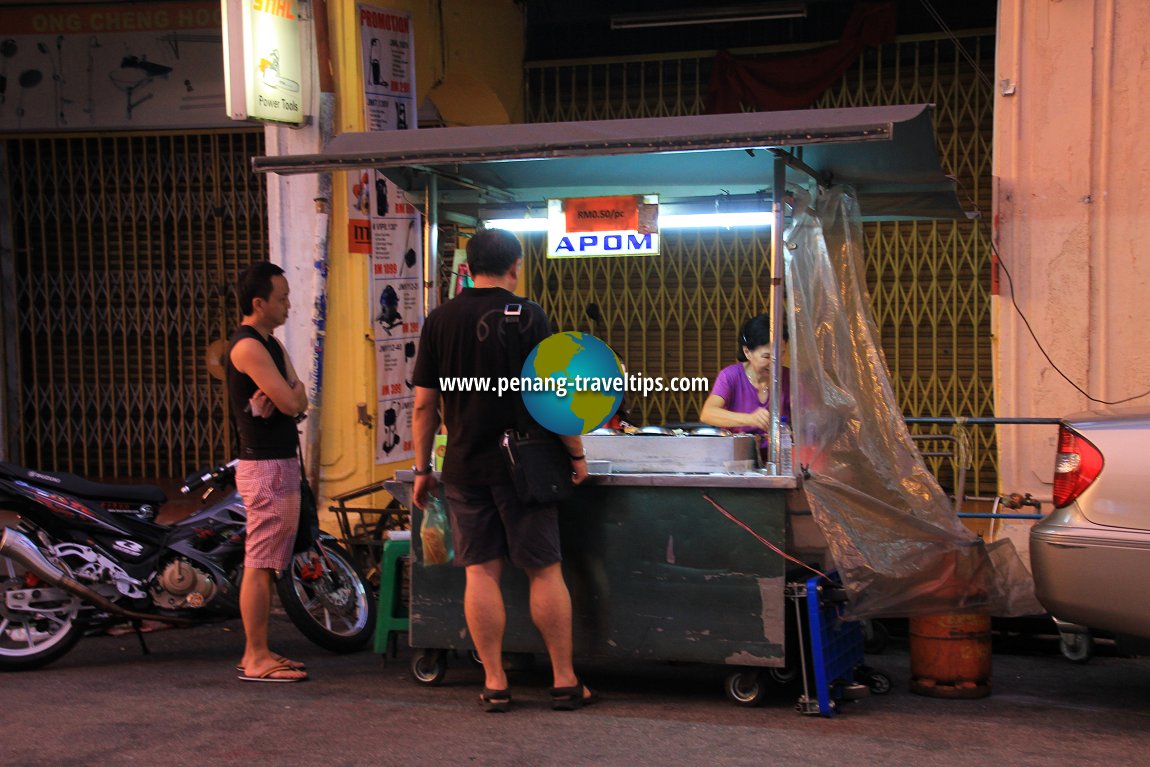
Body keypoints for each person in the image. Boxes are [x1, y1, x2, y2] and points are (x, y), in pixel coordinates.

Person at [411, 228, 594, 713]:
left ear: (467, 269)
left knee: (480, 573)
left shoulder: (439, 320)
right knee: (543, 570)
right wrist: (575, 455)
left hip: (464, 467)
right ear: (516, 267)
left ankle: (494, 682)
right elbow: (553, 395)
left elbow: (424, 406)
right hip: (526, 469)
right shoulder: (529, 316)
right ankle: (564, 680)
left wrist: (422, 469)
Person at [226, 261, 310, 683]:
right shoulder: (247, 347)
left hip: (280, 461)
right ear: (258, 303)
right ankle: (256, 656)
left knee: (267, 560)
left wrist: (290, 394)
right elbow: (293, 401)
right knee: (260, 562)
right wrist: (289, 394)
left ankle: (256, 651)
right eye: (281, 298)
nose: (289, 305)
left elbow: (301, 395)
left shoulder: (271, 344)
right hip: (265, 466)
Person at [699, 313, 791, 455]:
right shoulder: (730, 376)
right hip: (737, 459)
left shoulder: (789, 378)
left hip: (780, 459)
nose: (775, 363)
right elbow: (708, 413)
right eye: (766, 356)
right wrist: (750, 419)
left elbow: (809, 416)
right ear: (747, 352)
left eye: (781, 354)